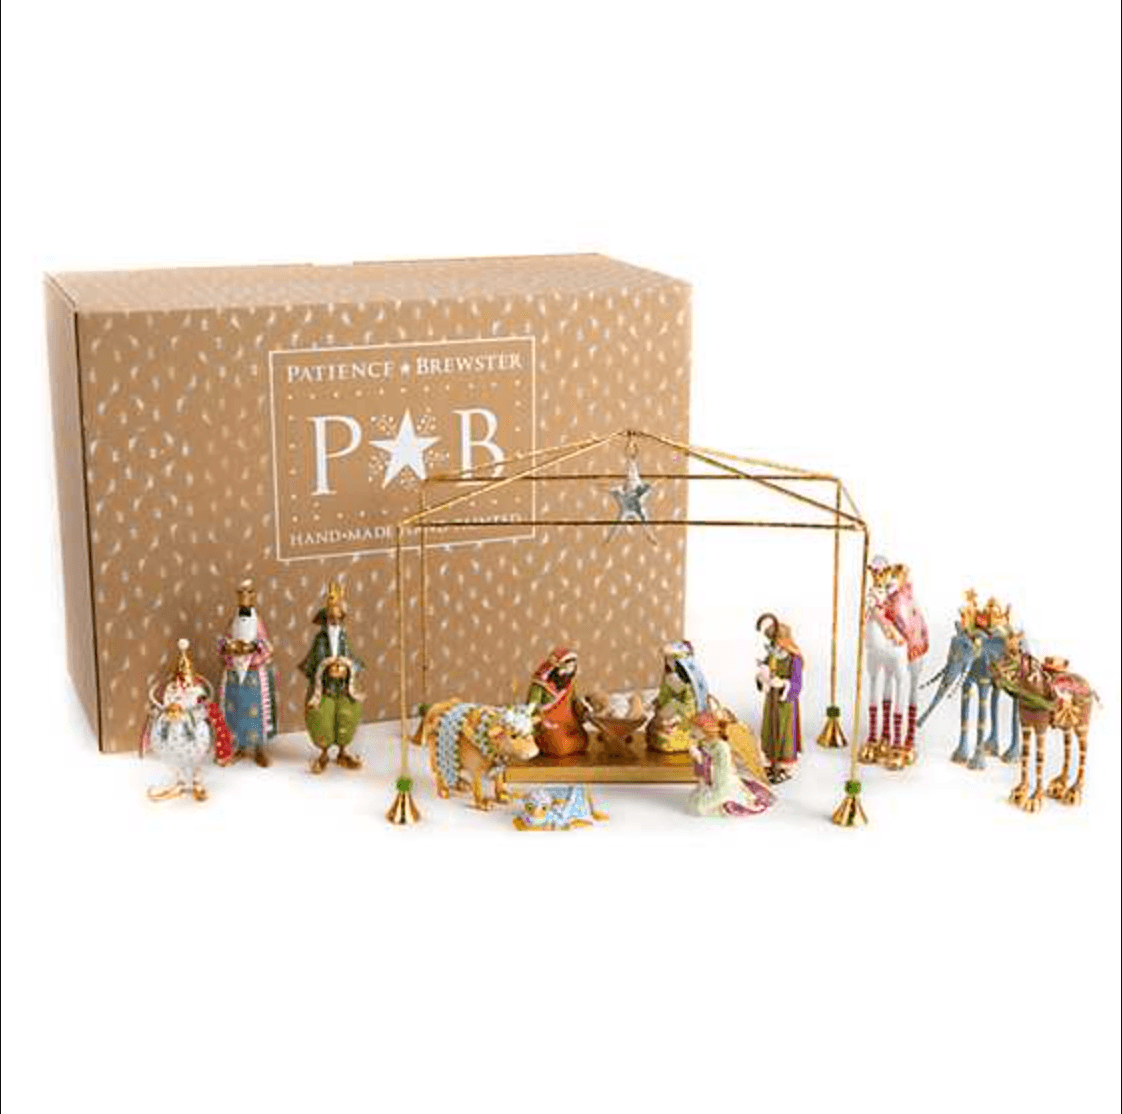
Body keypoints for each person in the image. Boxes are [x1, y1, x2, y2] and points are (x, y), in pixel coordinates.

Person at [297, 580, 365, 774]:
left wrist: (347, 668)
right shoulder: (320, 639)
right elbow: (315, 659)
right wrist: (325, 668)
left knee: (346, 716)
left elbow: (352, 657)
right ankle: (324, 753)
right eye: (331, 618)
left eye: (338, 618)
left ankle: (343, 752)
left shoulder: (344, 638)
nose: (335, 622)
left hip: (343, 687)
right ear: (325, 620)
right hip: (325, 688)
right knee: (322, 718)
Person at [217, 578, 277, 767]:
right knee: (236, 708)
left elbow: (265, 644)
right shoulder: (232, 622)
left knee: (255, 709)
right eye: (241, 595)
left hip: (253, 674)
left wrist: (252, 648)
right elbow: (224, 641)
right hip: (235, 673)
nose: (244, 598)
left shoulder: (258, 623)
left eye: (248, 594)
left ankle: (259, 749)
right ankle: (240, 747)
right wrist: (228, 648)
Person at [755, 613, 804, 783]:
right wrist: (762, 677)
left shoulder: (794, 659)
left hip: (785, 703)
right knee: (769, 728)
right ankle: (770, 761)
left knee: (784, 730)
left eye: (775, 640)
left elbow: (797, 684)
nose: (773, 644)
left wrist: (783, 684)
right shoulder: (772, 656)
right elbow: (764, 671)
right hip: (771, 699)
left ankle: (784, 766)